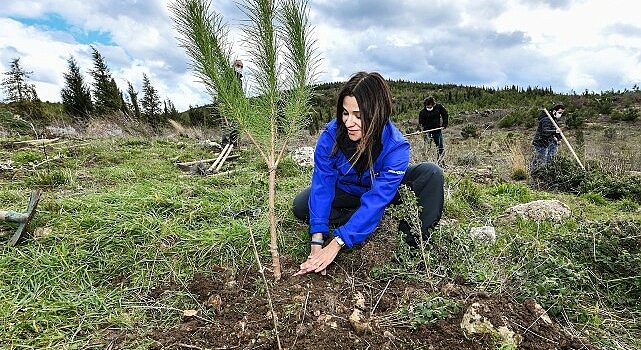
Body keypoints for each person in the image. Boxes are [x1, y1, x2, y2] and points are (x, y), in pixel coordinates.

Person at [292, 72, 444, 276]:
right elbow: (323, 184)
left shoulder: (396, 147)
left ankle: (411, 245)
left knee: (431, 174)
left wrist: (337, 242)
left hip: (383, 193)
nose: (349, 122)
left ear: (377, 113)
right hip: (348, 192)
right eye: (345, 113)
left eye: (359, 115)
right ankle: (363, 220)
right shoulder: (330, 136)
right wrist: (317, 242)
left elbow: (379, 196)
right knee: (302, 204)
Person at [532, 103, 564, 167]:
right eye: (559, 112)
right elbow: (545, 132)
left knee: (550, 159)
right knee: (540, 161)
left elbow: (556, 130)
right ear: (554, 111)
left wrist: (559, 138)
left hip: (548, 142)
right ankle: (535, 174)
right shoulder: (546, 119)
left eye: (562, 113)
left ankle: (548, 171)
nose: (560, 114)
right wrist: (555, 131)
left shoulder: (554, 120)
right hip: (540, 143)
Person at [418, 96, 448, 164]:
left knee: (440, 147)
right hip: (427, 132)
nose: (429, 108)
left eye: (430, 107)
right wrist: (420, 130)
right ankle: (427, 162)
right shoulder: (422, 113)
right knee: (427, 147)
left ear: (433, 105)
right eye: (427, 107)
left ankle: (441, 162)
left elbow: (445, 114)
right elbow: (420, 124)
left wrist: (444, 124)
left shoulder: (439, 107)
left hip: (437, 130)